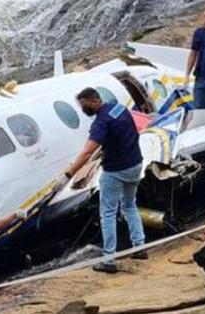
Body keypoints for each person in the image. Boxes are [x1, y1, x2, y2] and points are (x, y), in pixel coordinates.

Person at [64, 87, 147, 273]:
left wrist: (69, 173)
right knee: (129, 205)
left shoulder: (101, 122)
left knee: (108, 213)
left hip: (115, 171)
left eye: (85, 105)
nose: (84, 110)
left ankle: (109, 259)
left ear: (94, 100)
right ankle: (139, 246)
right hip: (135, 164)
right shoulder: (119, 109)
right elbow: (130, 132)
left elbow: (87, 151)